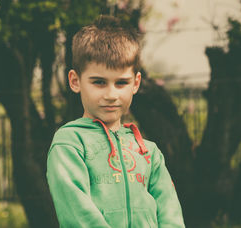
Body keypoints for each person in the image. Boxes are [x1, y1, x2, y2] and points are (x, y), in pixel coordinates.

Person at [46, 15, 185, 227]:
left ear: (136, 83)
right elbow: (77, 213)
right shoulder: (69, 143)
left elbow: (170, 214)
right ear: (75, 81)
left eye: (121, 83)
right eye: (99, 82)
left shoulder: (149, 153)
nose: (111, 94)